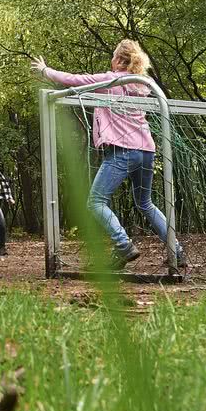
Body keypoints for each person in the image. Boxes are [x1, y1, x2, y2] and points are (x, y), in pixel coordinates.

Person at [32, 39, 186, 268]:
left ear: (118, 60)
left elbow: (76, 80)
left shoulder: (111, 78)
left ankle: (123, 245)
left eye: (113, 56)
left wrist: (46, 71)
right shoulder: (144, 83)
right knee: (145, 203)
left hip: (123, 151)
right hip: (146, 151)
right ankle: (177, 249)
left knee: (95, 202)